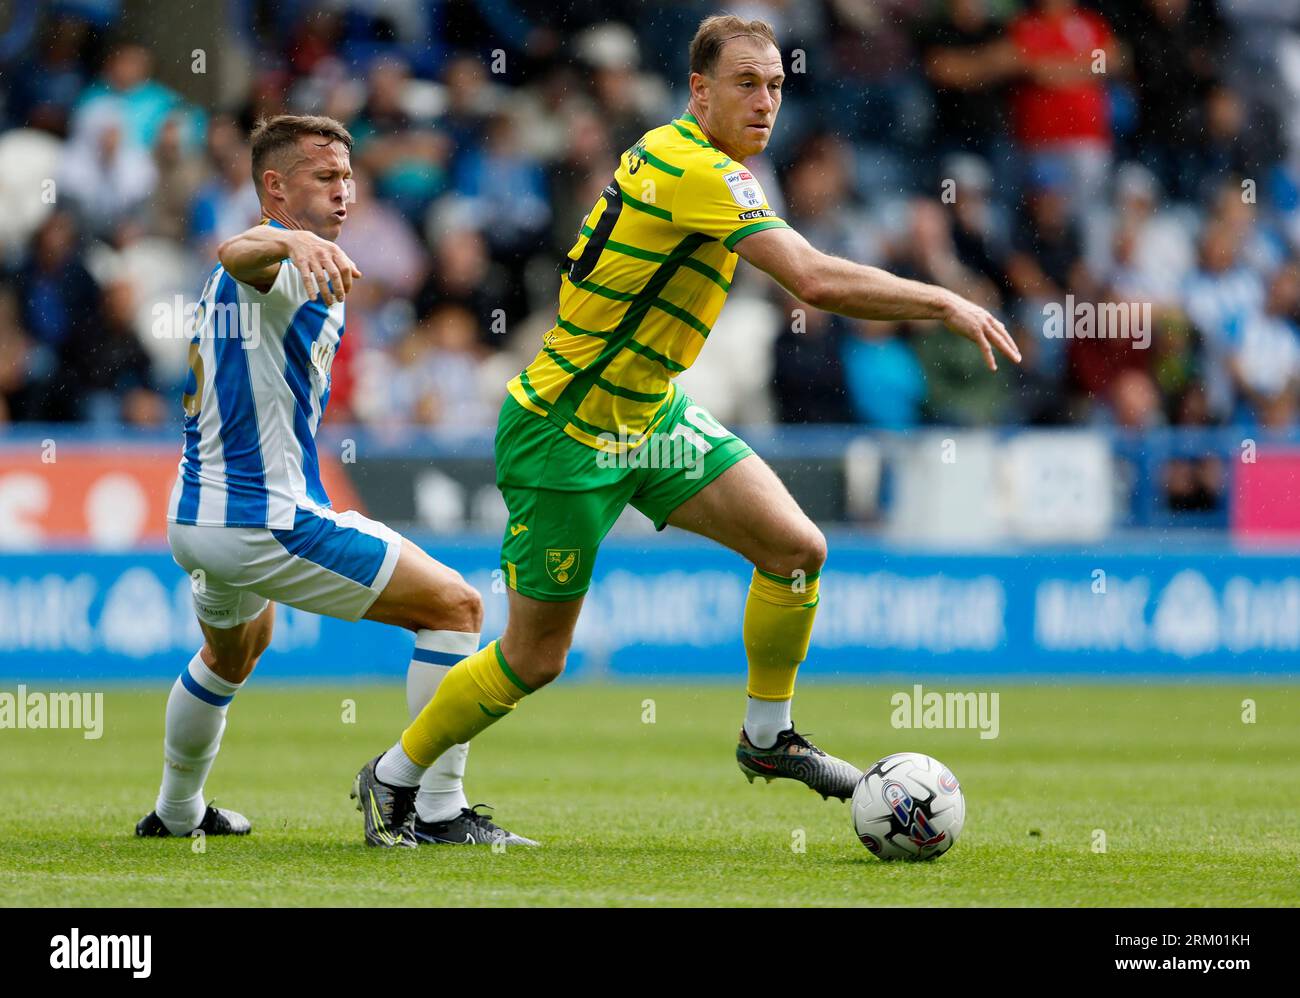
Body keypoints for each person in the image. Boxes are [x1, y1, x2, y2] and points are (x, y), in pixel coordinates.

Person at [353, 15, 1020, 847]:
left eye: (777, 85)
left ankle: (768, 737)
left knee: (795, 549)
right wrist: (945, 299)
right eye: (746, 83)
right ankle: (392, 777)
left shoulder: (702, 163)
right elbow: (810, 278)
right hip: (567, 428)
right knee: (534, 657)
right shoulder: (697, 169)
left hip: (650, 416)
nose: (766, 100)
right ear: (698, 90)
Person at [136, 114, 533, 848]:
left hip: (200, 516)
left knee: (233, 654)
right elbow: (236, 248)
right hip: (262, 519)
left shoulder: (303, 269)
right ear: (274, 187)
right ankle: (439, 808)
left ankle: (178, 813)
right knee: (455, 607)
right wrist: (290, 237)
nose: (345, 191)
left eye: (349, 177)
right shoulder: (270, 264)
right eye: (325, 178)